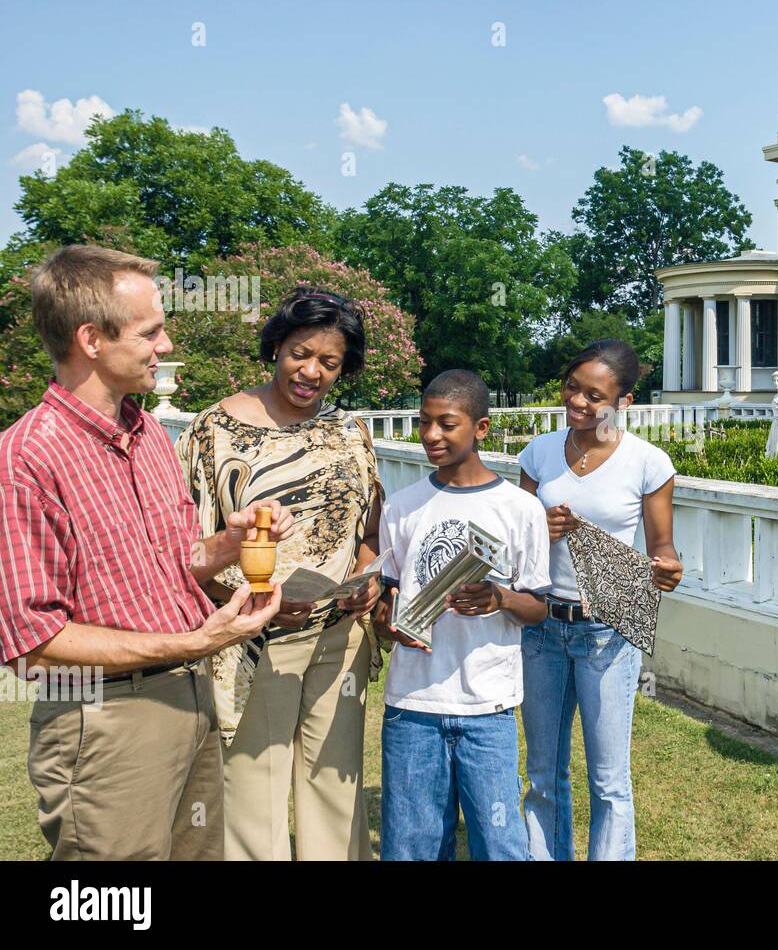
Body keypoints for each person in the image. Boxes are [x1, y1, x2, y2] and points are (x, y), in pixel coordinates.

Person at [0, 244, 290, 860]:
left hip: (189, 699)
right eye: (151, 331)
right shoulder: (26, 459)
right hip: (104, 721)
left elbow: (172, 563)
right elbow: (33, 647)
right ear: (91, 339)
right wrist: (192, 644)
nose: (164, 346)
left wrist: (229, 544)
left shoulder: (150, 433)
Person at [175, 287, 384, 861]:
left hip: (339, 638)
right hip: (252, 640)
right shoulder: (212, 431)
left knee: (335, 794)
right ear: (275, 347)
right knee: (252, 797)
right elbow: (188, 551)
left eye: (329, 362)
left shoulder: (350, 434)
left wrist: (368, 579)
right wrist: (244, 602)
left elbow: (370, 533)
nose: (311, 371)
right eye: (300, 353)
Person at [373, 369, 550, 861]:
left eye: (446, 424)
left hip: (488, 706)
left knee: (500, 844)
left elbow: (538, 608)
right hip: (413, 705)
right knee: (411, 845)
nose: (431, 435)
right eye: (425, 422)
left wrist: (500, 599)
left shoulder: (520, 509)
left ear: (482, 428)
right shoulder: (403, 507)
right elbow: (387, 602)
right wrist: (390, 624)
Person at [517, 339, 683, 861]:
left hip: (606, 630)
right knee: (544, 772)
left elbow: (661, 547)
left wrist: (668, 569)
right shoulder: (539, 452)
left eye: (595, 395)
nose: (579, 402)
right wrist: (539, 528)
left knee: (610, 780)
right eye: (572, 387)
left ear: (624, 402)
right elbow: (516, 539)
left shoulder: (647, 463)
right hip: (541, 626)